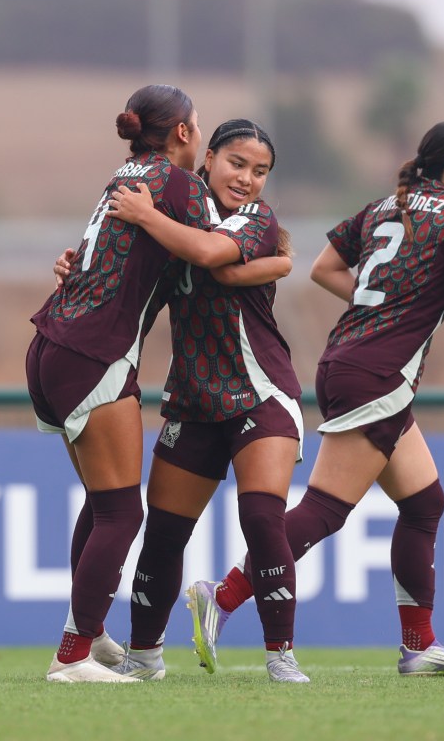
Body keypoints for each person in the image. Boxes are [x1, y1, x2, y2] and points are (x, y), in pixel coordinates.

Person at [187, 120, 444, 676]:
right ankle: (221, 597)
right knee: (324, 511)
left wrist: (380, 306)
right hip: (377, 375)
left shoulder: (387, 205)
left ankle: (419, 645)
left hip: (348, 361)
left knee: (424, 503)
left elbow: (323, 268)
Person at [26, 83, 237, 683]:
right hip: (93, 351)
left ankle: (88, 637)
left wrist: (76, 265)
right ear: (185, 133)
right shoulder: (175, 183)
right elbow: (219, 250)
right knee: (122, 511)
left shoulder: (125, 174)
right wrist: (280, 256)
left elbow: (116, 257)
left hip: (52, 343)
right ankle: (70, 657)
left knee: (103, 502)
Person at [98, 120, 310, 683]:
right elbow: (126, 278)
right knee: (165, 533)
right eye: (236, 164)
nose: (247, 179)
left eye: (259, 171)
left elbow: (212, 252)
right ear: (208, 158)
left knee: (262, 518)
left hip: (261, 393)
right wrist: (76, 270)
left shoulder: (254, 219)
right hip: (193, 398)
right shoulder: (176, 221)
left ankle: (280, 656)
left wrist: (146, 216)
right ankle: (144, 658)